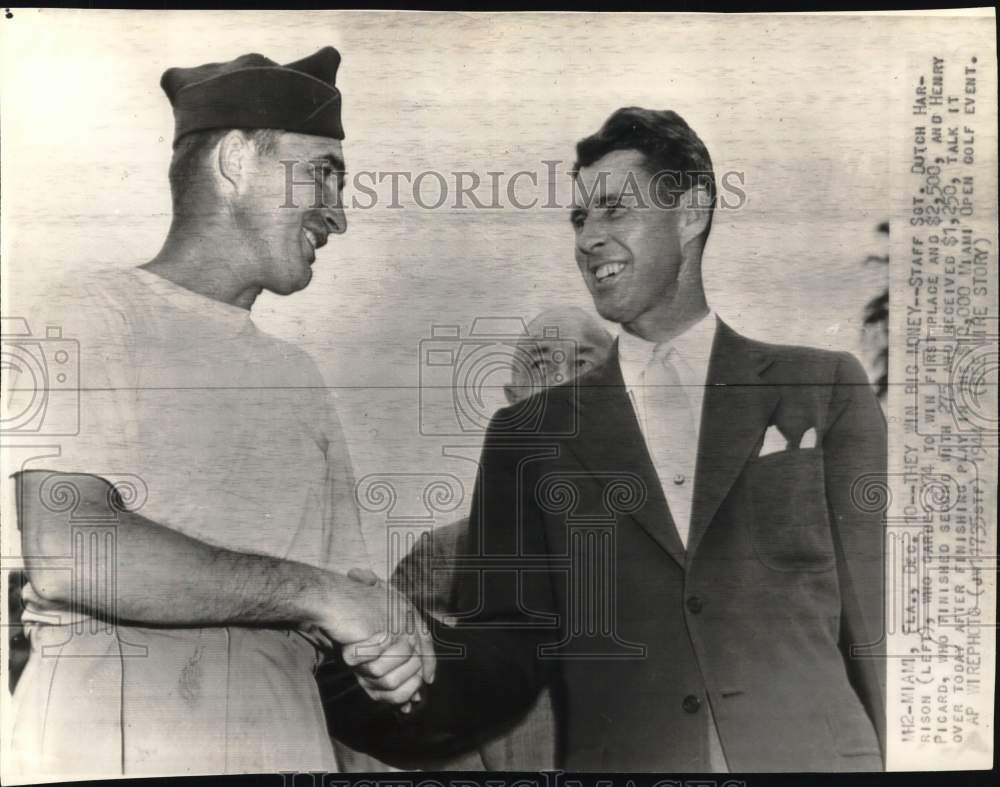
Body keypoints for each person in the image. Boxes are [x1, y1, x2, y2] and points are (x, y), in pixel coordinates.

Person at [358, 107, 886, 772]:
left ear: (691, 215)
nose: (588, 239)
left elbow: (873, 631)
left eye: (613, 210)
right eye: (579, 219)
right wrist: (391, 662)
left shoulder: (825, 384)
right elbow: (499, 663)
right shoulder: (526, 435)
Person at [7, 47, 429, 780]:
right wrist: (322, 594)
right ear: (236, 161)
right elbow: (72, 550)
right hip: (115, 744)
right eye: (324, 171)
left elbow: (349, 605)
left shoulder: (299, 378)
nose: (339, 212)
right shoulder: (91, 311)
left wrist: (394, 635)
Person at [379, 307, 614, 770]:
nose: (563, 381)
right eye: (542, 364)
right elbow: (400, 718)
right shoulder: (444, 558)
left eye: (584, 364)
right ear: (512, 400)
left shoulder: (678, 549)